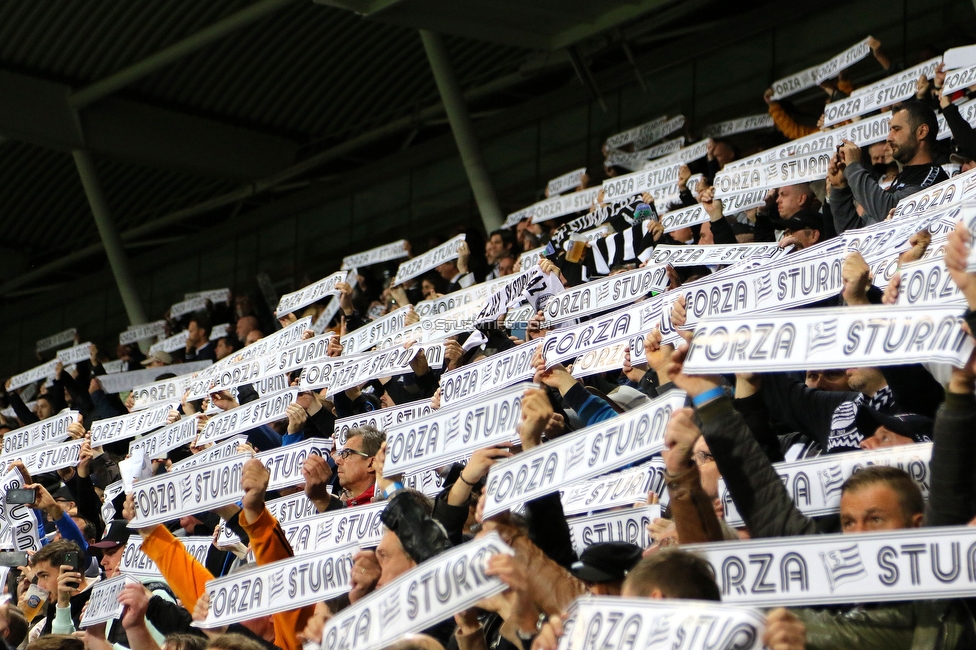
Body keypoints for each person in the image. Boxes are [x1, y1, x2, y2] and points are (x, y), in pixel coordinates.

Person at [829, 100, 948, 232]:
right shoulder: (899, 182)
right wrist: (840, 188)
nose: (889, 138)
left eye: (896, 129)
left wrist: (853, 167)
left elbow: (892, 213)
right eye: (890, 130)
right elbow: (853, 234)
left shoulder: (933, 177)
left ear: (922, 131)